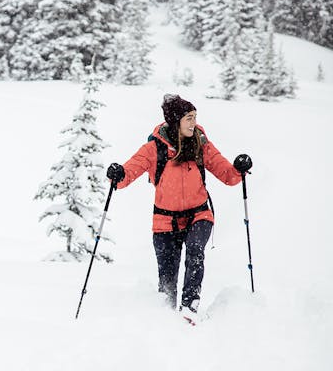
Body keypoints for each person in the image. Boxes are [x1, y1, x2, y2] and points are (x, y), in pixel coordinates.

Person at [106, 94, 252, 322]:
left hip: (199, 214)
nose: (193, 123)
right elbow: (130, 170)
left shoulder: (201, 144)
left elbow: (227, 175)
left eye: (194, 117)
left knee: (195, 251)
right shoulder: (154, 148)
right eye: (188, 118)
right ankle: (164, 318)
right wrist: (118, 175)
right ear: (176, 121)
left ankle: (189, 308)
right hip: (165, 220)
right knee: (167, 276)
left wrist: (238, 168)